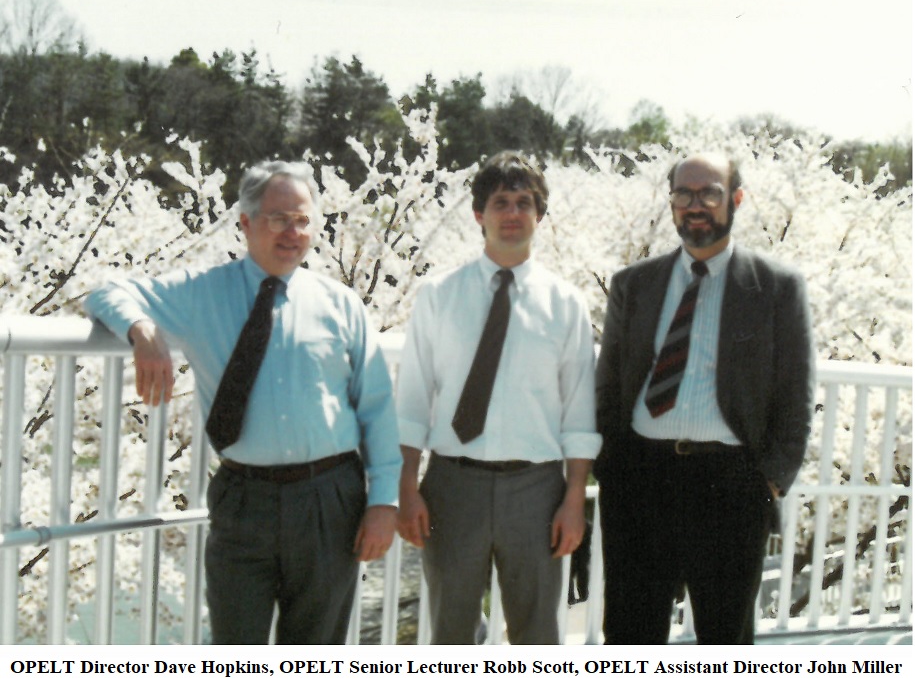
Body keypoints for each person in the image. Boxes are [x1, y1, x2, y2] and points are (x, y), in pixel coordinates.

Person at [84, 161, 401, 644]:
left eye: (302, 220)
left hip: (329, 499)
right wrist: (142, 329)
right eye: (278, 218)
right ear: (246, 223)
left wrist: (383, 502)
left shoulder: (341, 304)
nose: (291, 232)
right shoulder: (201, 293)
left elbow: (376, 408)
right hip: (242, 499)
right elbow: (106, 292)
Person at [594, 152, 815, 644]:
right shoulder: (634, 284)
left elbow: (796, 396)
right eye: (684, 194)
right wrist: (612, 468)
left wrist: (770, 482)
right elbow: (607, 386)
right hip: (640, 481)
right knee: (630, 635)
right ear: (671, 202)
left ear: (735, 199)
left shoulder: (776, 288)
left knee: (725, 637)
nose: (696, 205)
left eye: (710, 192)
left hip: (730, 487)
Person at [396, 150, 602, 644]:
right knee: (451, 631)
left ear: (539, 215)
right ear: (478, 215)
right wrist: (406, 484)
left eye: (524, 203)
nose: (512, 214)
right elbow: (412, 398)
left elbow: (578, 409)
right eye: (501, 202)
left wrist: (574, 497)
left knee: (537, 634)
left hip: (536, 491)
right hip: (452, 485)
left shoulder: (566, 303)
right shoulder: (438, 295)